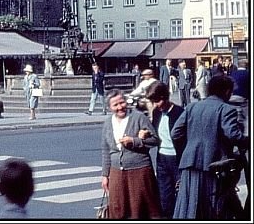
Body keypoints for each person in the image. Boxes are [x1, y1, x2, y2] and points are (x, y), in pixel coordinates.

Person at [172, 75, 245, 219]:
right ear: (226, 91)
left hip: (190, 164)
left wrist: (191, 146)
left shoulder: (192, 107)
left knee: (190, 206)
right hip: (213, 165)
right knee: (213, 206)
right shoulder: (226, 109)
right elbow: (233, 135)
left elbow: (175, 133)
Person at [100, 89, 162, 219]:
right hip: (116, 172)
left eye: (122, 103)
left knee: (139, 210)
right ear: (110, 107)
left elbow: (155, 140)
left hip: (139, 170)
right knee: (118, 208)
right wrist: (105, 175)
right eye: (115, 105)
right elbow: (106, 150)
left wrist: (134, 141)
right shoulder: (107, 123)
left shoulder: (139, 117)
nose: (120, 107)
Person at [145, 80, 185, 218]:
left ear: (164, 97)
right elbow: (156, 133)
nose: (155, 105)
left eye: (157, 101)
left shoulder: (179, 112)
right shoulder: (156, 112)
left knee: (181, 195)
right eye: (153, 102)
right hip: (162, 158)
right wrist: (147, 133)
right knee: (164, 197)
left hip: (177, 159)